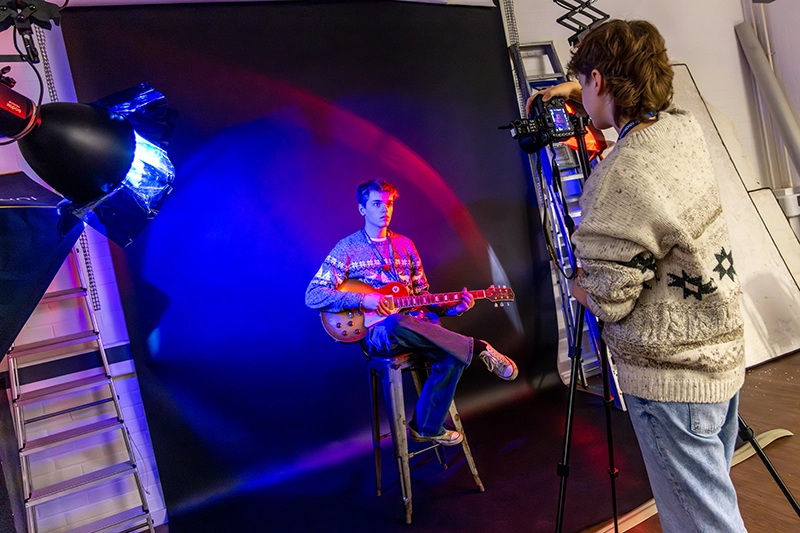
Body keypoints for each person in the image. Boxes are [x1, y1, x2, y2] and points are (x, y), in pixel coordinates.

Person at [528, 20, 747, 533]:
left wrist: (578, 282)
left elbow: (607, 299)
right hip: (720, 357)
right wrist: (576, 86)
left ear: (599, 81)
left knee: (701, 524)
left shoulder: (622, 173)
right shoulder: (682, 129)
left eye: (585, 84)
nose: (580, 96)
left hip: (672, 380)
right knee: (714, 504)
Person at [306, 179, 518, 446]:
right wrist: (365, 299)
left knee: (451, 355)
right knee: (395, 322)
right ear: (362, 209)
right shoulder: (347, 248)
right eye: (376, 204)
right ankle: (478, 346)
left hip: (415, 327)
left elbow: (422, 299)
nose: (384, 210)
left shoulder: (406, 246)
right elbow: (313, 295)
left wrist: (456, 308)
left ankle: (426, 427)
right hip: (379, 332)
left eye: (389, 204)